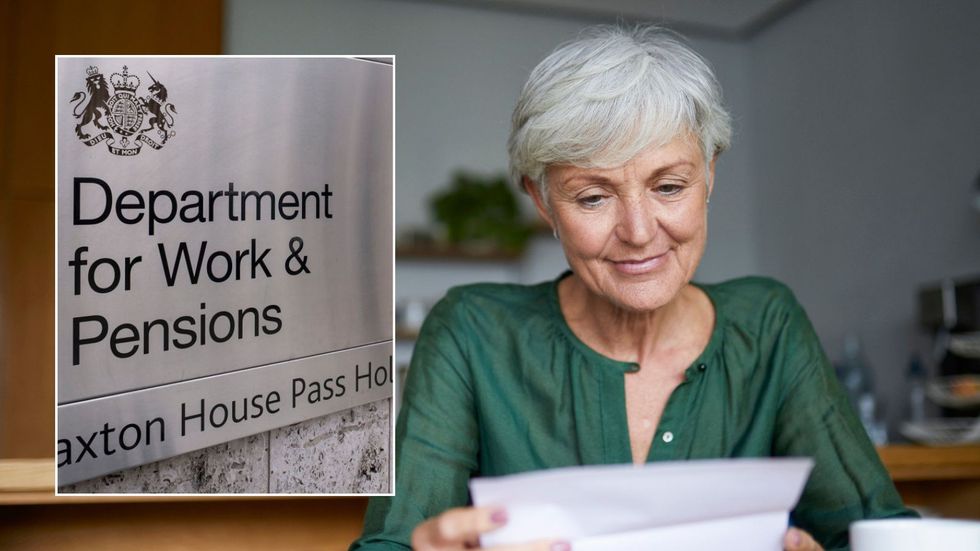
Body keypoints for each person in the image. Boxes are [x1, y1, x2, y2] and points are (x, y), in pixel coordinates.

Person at [353, 25, 915, 551]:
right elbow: (397, 541)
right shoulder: (471, 333)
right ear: (540, 198)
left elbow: (880, 532)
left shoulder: (767, 324)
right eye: (593, 198)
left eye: (669, 186)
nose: (640, 233)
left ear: (710, 173)